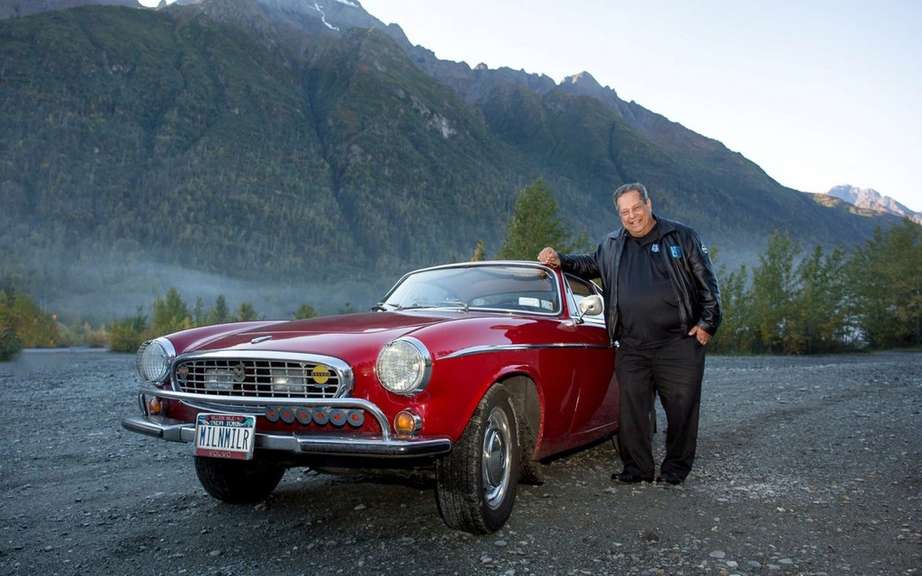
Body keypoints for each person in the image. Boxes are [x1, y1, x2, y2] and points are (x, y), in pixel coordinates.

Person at [538, 182, 720, 484]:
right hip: (632, 345)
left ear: (649, 204)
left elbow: (708, 283)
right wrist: (560, 258)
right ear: (619, 214)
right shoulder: (612, 244)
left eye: (636, 208)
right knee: (632, 411)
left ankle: (675, 471)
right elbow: (589, 264)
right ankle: (637, 469)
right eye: (625, 212)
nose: (632, 216)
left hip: (678, 343)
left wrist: (707, 325)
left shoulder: (682, 236)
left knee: (681, 410)